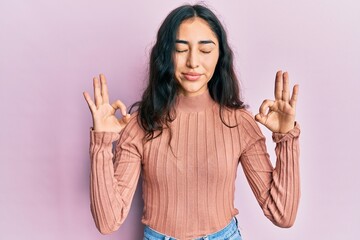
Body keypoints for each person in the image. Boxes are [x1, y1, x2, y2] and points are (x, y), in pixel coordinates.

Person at [83, 4, 300, 240]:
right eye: (180, 49)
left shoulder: (240, 124)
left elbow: (283, 214)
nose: (193, 62)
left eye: (205, 50)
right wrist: (102, 143)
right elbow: (107, 222)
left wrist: (286, 137)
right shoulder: (140, 125)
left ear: (220, 56)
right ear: (165, 55)